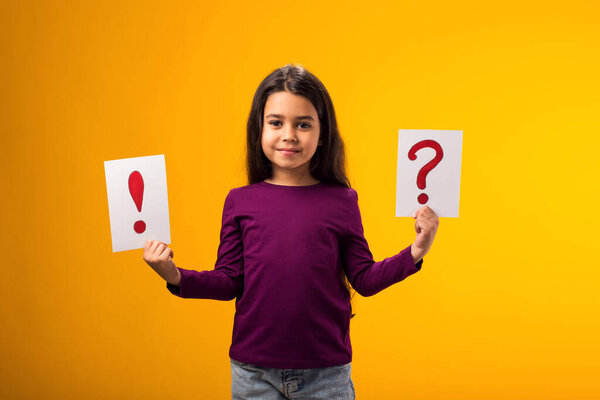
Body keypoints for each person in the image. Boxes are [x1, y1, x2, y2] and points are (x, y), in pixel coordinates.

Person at [142, 64, 439, 399]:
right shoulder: (240, 202)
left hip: (327, 374)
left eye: (303, 124)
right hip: (253, 374)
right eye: (276, 123)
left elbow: (365, 279)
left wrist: (416, 251)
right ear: (259, 129)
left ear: (322, 133)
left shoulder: (342, 202)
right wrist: (174, 275)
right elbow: (228, 281)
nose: (289, 135)